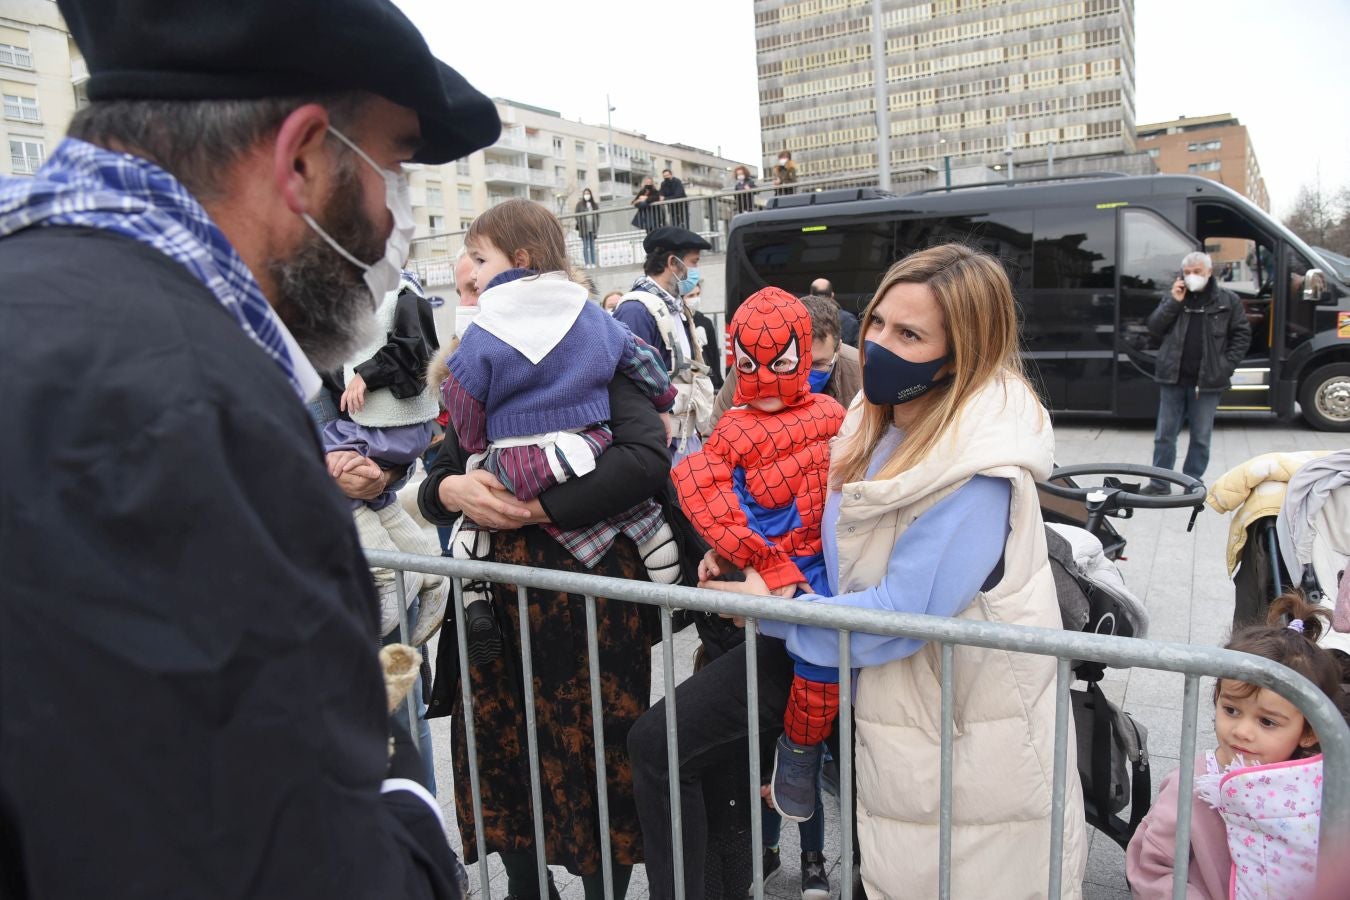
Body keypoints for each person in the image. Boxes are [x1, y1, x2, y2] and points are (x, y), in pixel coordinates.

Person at [0, 0, 502, 896]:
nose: (396, 218)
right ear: (303, 158)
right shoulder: (191, 409)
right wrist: (408, 814)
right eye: (391, 166)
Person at [693, 244, 1087, 898]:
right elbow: (830, 533)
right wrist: (751, 552)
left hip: (969, 751)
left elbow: (901, 614)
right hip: (907, 725)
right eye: (876, 321)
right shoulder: (875, 420)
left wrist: (769, 608)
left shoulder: (979, 471)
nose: (877, 344)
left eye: (909, 334)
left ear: (962, 351)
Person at [418, 344, 680, 900]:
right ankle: (526, 888)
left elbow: (644, 458)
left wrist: (532, 510)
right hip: (496, 615)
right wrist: (449, 488)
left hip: (594, 616)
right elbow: (436, 480)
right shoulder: (478, 370)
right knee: (501, 756)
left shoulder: (597, 357)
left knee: (600, 759)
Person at [434, 199, 681, 663]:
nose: (474, 286)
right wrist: (664, 399)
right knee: (641, 517)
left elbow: (644, 459)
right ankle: (666, 572)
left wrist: (476, 449)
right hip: (581, 451)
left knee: (472, 530)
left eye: (480, 264)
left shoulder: (483, 338)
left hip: (513, 480)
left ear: (520, 259)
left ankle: (474, 596)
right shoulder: (591, 320)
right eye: (462, 288)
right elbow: (642, 359)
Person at [1126, 591, 1347, 899]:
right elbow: (1151, 868)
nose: (1242, 731)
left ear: (1309, 732)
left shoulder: (1322, 787)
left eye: (1267, 722)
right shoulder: (1192, 784)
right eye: (1231, 710)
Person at [320, 270, 448, 645]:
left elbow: (414, 348)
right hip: (382, 429)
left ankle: (389, 574)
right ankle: (427, 570)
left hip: (389, 429)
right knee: (370, 496)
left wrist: (367, 375)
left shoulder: (398, 293)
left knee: (331, 474)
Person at [1141, 250, 1251, 495]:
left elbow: (1242, 335)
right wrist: (1173, 302)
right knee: (1164, 435)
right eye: (1188, 272)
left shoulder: (1227, 300)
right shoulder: (1175, 296)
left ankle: (1192, 482)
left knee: (1201, 437)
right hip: (1173, 378)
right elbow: (1155, 327)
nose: (1192, 276)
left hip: (1208, 381)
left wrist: (1225, 366)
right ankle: (1159, 483)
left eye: (1197, 272)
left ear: (1209, 272)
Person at [613, 225, 716, 463]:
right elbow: (629, 385)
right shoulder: (635, 310)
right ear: (673, 263)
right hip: (661, 443)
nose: (696, 271)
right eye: (693, 262)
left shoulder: (676, 308)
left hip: (685, 437)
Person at [711, 292, 860, 426]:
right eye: (785, 362)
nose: (805, 373)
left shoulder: (860, 372)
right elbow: (715, 430)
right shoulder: (749, 368)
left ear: (838, 348)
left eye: (817, 364)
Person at [684, 283, 724, 391]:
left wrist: (718, 380)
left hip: (707, 378)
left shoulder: (705, 322)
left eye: (698, 294)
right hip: (687, 380)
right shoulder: (678, 322)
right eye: (691, 296)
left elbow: (713, 353)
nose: (696, 299)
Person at [810, 277, 859, 346]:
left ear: (810, 296)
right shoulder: (848, 319)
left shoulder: (804, 318)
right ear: (832, 295)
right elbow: (857, 348)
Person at [575, 187, 600, 267]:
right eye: (585, 193)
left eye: (588, 193)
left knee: (592, 246)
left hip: (592, 228)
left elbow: (598, 216)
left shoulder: (594, 205)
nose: (587, 195)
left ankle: (593, 263)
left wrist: (597, 225)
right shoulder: (579, 204)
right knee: (585, 246)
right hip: (584, 228)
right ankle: (587, 263)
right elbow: (576, 215)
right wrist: (580, 223)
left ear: (590, 194)